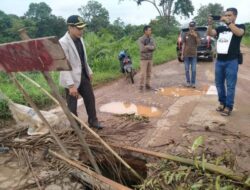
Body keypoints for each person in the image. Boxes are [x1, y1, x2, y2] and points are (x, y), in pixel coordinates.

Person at [59, 15, 103, 129]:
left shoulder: (80, 39)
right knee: (72, 106)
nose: (81, 31)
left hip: (83, 76)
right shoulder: (63, 42)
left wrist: (89, 70)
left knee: (90, 99)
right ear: (70, 27)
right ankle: (76, 127)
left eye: (82, 28)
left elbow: (83, 58)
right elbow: (64, 66)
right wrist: (71, 85)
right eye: (79, 28)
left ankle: (93, 121)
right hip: (71, 79)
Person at [207, 8, 245, 116]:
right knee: (219, 84)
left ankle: (228, 106)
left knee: (230, 85)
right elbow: (210, 33)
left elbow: (239, 33)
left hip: (232, 61)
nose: (227, 17)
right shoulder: (220, 29)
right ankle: (222, 103)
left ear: (235, 16)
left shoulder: (240, 27)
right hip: (219, 61)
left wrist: (228, 22)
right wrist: (210, 24)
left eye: (229, 15)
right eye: (226, 15)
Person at [181, 21, 200, 88]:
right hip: (186, 55)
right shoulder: (185, 34)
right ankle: (188, 82)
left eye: (193, 26)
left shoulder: (197, 34)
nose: (191, 28)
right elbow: (183, 44)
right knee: (186, 69)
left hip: (193, 55)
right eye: (190, 26)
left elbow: (198, 43)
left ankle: (193, 83)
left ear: (195, 27)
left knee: (194, 70)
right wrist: (182, 54)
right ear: (189, 27)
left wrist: (195, 36)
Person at [138, 25, 156, 91]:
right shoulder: (140, 39)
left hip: (150, 58)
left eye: (150, 30)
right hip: (143, 59)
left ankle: (147, 85)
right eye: (149, 30)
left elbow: (154, 47)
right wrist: (150, 47)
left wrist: (147, 46)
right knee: (143, 73)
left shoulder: (152, 39)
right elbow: (142, 49)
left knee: (149, 73)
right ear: (145, 31)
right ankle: (141, 86)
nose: (150, 31)